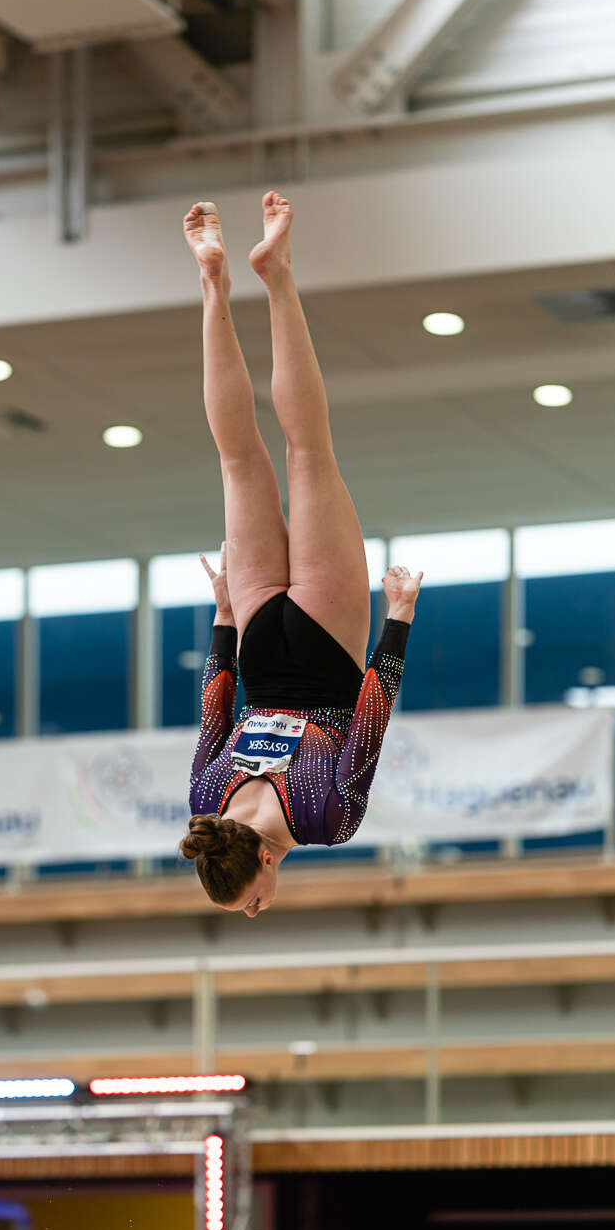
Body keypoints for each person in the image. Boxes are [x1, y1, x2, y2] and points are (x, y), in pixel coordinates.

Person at [179, 193, 422, 916]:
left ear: (257, 862)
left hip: (323, 651)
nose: (260, 908)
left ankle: (277, 274)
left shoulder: (326, 823)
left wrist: (398, 619)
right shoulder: (204, 799)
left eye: (252, 901)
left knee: (308, 451)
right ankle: (214, 280)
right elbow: (213, 709)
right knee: (237, 459)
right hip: (256, 649)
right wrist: (223, 617)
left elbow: (372, 716)